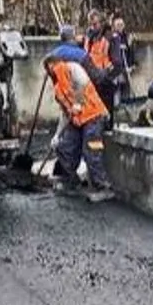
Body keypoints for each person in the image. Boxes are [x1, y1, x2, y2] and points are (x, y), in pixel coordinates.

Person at [44, 51, 114, 202]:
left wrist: (78, 102)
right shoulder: (58, 89)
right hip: (78, 120)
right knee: (65, 147)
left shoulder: (72, 68)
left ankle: (103, 187)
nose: (51, 71)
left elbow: (82, 83)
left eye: (51, 67)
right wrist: (57, 135)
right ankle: (71, 181)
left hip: (94, 115)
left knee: (91, 150)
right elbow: (65, 114)